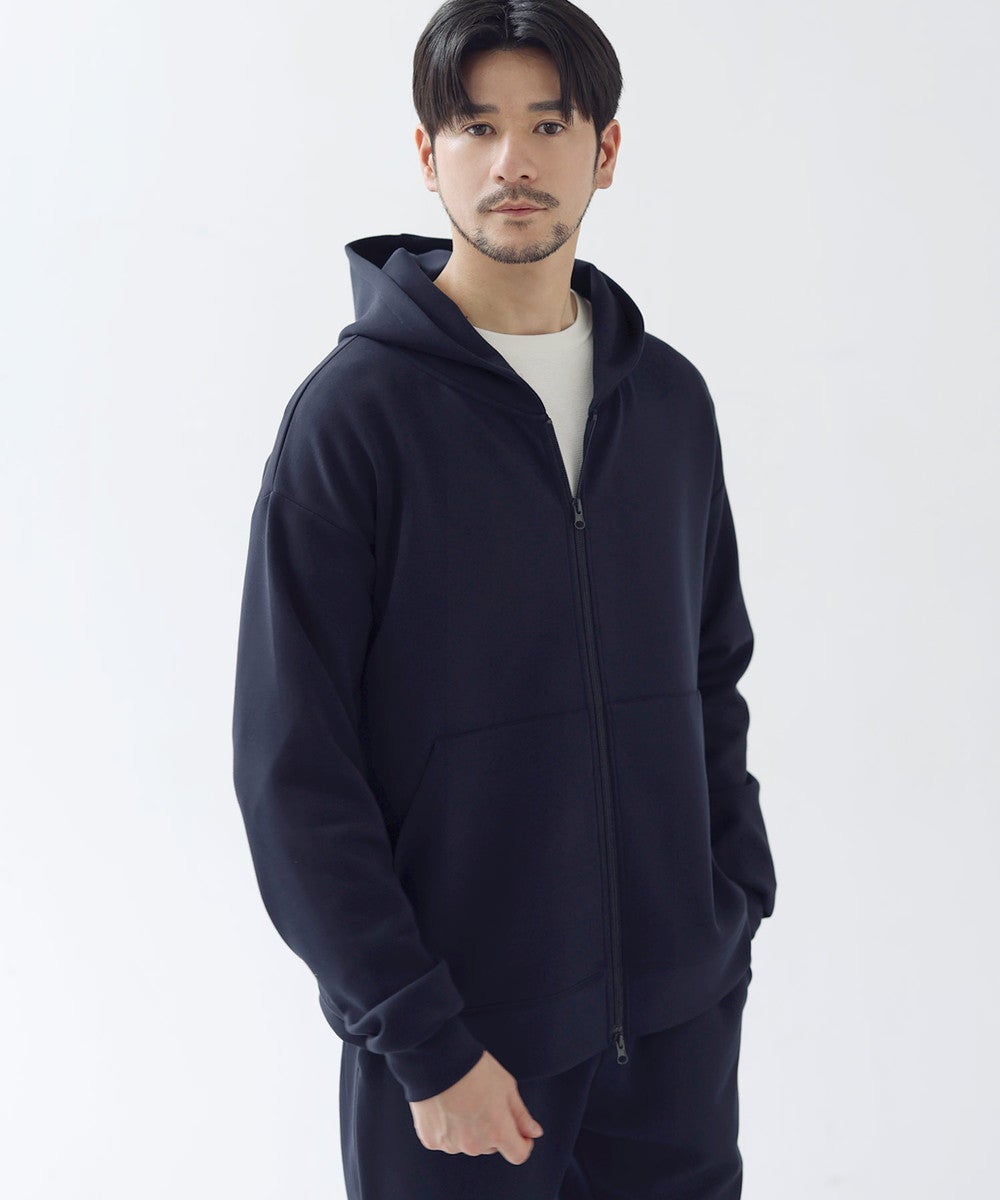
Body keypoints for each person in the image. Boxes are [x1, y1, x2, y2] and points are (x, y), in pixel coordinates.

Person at [231, 1, 777, 1195]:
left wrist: (730, 910)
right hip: (466, 1056)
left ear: (605, 150)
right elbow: (293, 770)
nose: (512, 162)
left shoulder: (668, 403)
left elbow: (710, 675)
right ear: (426, 154)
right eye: (476, 127)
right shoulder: (353, 421)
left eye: (548, 124)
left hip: (674, 1047)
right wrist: (423, 1042)